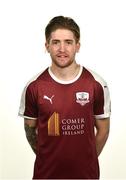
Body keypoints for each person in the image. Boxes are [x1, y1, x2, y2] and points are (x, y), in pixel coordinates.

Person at [18, 16, 111, 179]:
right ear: (47, 46)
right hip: (46, 175)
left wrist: (86, 160)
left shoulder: (96, 84)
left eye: (68, 42)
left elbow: (103, 129)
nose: (62, 49)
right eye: (56, 42)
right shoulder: (34, 86)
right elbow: (29, 128)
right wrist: (48, 157)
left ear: (78, 46)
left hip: (86, 176)